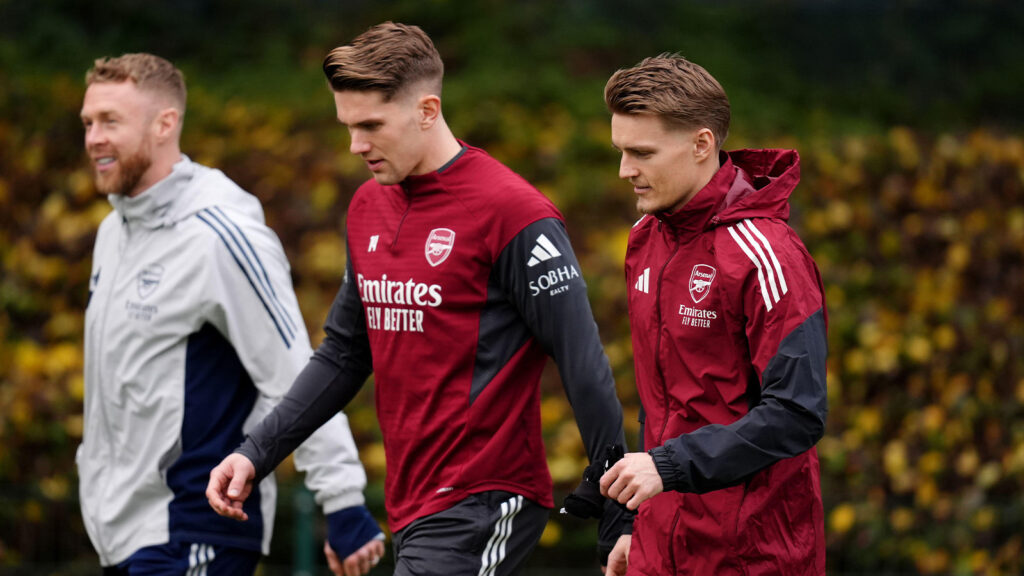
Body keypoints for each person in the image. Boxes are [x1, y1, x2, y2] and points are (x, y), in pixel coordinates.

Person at [206, 22, 632, 575]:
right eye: (348, 126)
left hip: (485, 497)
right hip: (411, 505)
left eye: (371, 126)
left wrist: (618, 510)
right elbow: (343, 353)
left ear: (427, 110)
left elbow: (583, 364)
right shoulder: (366, 207)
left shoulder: (514, 212)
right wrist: (254, 452)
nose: (356, 145)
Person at [78, 52, 384, 575]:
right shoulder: (113, 233)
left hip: (195, 528)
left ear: (164, 124)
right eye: (88, 123)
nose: (93, 138)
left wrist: (342, 497)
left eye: (111, 121)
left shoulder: (219, 234)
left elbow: (294, 367)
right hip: (120, 534)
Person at [597, 54, 828, 575]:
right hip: (661, 546)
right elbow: (660, 403)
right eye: (620, 151)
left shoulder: (767, 254)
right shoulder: (644, 239)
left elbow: (798, 413)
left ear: (702, 144)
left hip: (752, 555)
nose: (624, 170)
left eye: (642, 152)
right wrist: (638, 522)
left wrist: (666, 468)